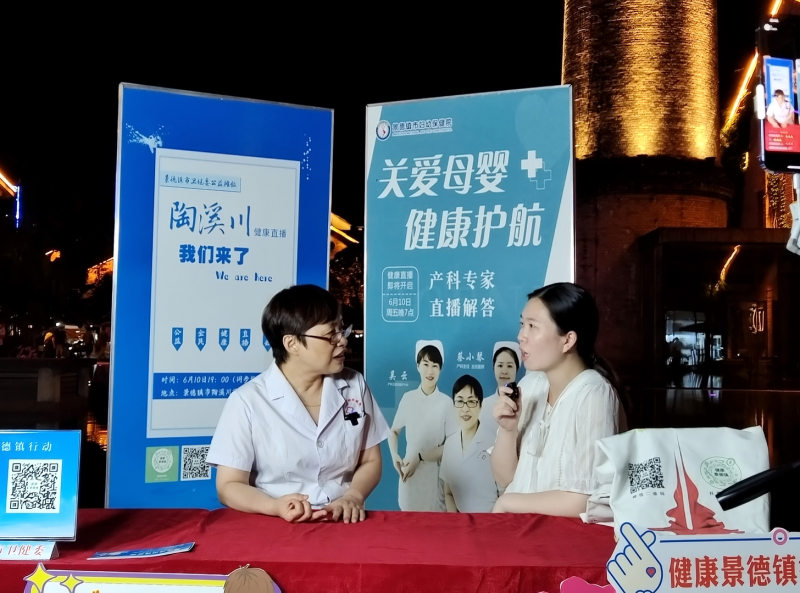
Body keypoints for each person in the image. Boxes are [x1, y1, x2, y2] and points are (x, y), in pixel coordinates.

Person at [207, 284, 390, 523]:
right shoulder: (247, 401)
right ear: (292, 343)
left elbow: (370, 460)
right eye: (330, 334)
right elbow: (229, 485)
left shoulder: (355, 385)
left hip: (344, 521)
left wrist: (353, 497)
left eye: (341, 330)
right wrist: (274, 506)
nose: (342, 341)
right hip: (277, 525)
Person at [490, 282, 626, 517]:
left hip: (561, 536)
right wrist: (508, 430)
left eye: (533, 326)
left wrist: (508, 503)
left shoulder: (594, 394)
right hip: (519, 529)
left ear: (568, 340)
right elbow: (504, 478)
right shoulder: (530, 385)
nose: (521, 336)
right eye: (522, 324)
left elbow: (585, 500)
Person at [388, 340, 457, 511]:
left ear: (440, 369)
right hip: (409, 473)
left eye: (435, 366)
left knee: (434, 521)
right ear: (418, 366)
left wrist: (420, 457)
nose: (430, 371)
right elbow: (394, 431)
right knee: (409, 521)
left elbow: (452, 446)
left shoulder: (446, 403)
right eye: (425, 364)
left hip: (434, 475)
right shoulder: (408, 398)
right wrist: (394, 454)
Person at [441, 375, 499, 512]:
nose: (465, 408)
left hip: (489, 519)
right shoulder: (449, 444)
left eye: (471, 402)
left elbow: (504, 494)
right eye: (460, 401)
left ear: (480, 405)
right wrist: (456, 520)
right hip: (460, 521)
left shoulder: (494, 442)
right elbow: (448, 493)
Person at [479, 342, 522, 432]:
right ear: (494, 368)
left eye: (509, 366)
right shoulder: (484, 405)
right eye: (500, 365)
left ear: (516, 368)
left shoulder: (525, 401)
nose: (504, 371)